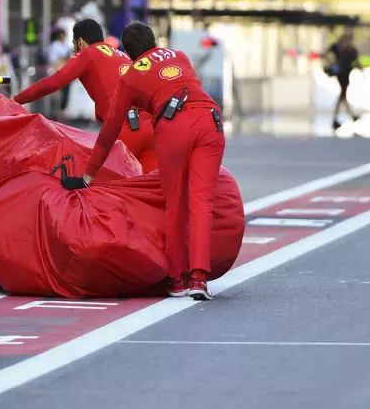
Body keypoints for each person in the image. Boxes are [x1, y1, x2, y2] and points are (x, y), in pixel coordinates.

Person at [66, 22, 224, 301]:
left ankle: (176, 281)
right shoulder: (179, 55)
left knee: (174, 204)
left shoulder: (129, 76)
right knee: (201, 202)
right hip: (211, 120)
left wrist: (88, 176)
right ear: (154, 41)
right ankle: (199, 279)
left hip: (174, 126)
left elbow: (109, 131)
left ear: (128, 52)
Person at [13, 18, 157, 172]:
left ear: (80, 42)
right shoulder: (121, 55)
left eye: (74, 45)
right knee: (150, 188)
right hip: (151, 127)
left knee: (100, 186)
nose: (74, 50)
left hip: (125, 129)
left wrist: (16, 100)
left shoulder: (87, 54)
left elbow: (52, 83)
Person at [326, 29, 361, 131]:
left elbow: (356, 61)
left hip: (346, 74)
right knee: (342, 94)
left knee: (343, 95)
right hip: (340, 74)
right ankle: (348, 116)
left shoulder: (351, 50)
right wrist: (332, 64)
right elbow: (327, 53)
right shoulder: (338, 47)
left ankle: (345, 116)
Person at [47, 28, 72, 118]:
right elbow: (54, 60)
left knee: (65, 93)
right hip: (56, 70)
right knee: (55, 94)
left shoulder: (67, 46)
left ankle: (62, 110)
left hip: (66, 71)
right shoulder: (55, 46)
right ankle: (54, 112)